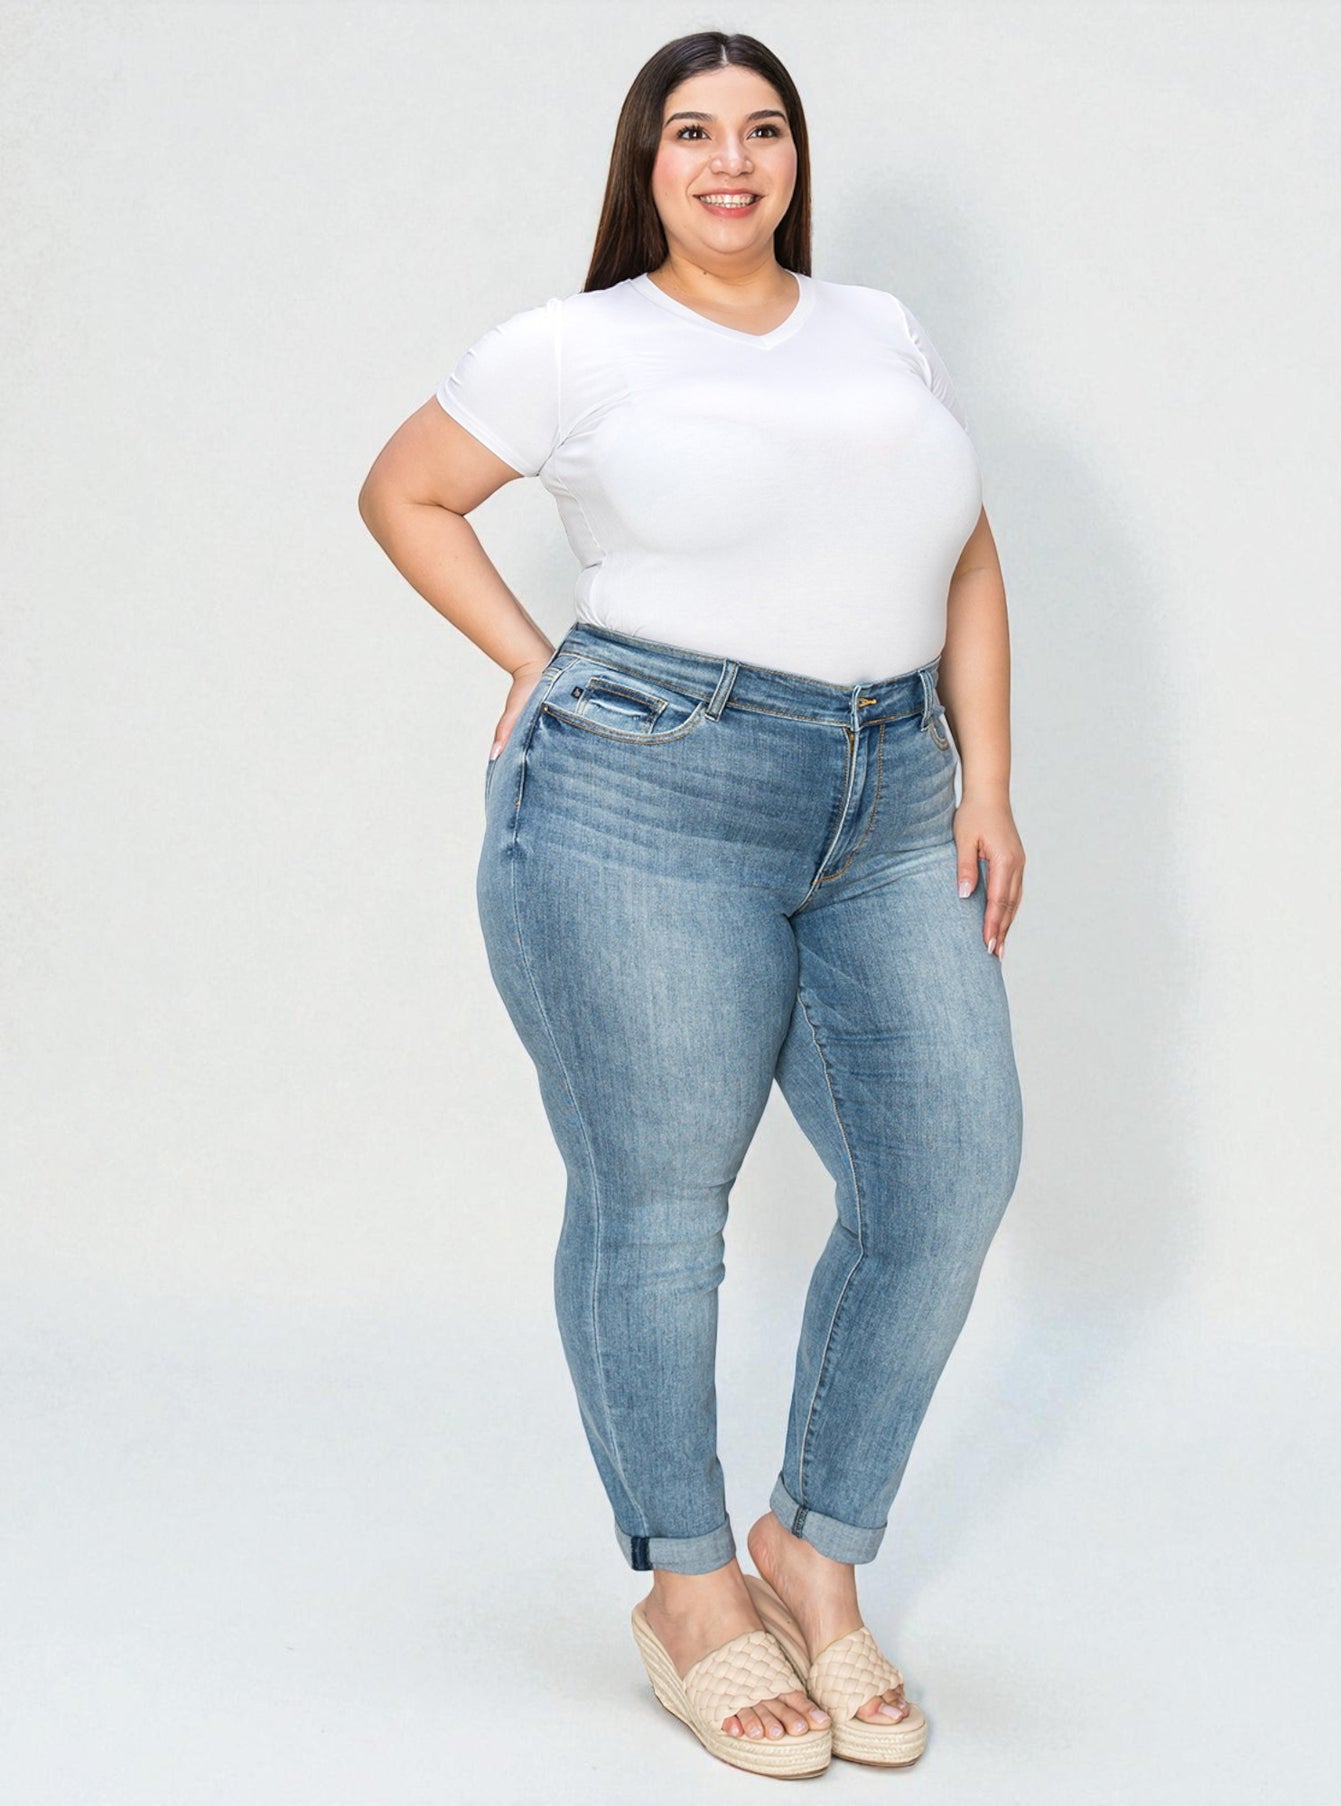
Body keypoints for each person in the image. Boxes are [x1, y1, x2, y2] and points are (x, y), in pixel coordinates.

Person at [358, 28, 1025, 1781]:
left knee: (947, 1169)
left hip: (894, 794)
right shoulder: (573, 344)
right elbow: (404, 491)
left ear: (796, 157)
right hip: (644, 790)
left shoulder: (879, 328)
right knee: (660, 1204)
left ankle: (813, 1547)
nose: (731, 160)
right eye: (692, 132)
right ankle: (688, 1585)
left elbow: (962, 546)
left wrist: (987, 778)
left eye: (762, 128)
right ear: (643, 163)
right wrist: (537, 665)